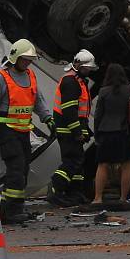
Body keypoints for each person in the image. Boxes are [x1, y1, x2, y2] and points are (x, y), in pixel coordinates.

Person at [0, 39, 53, 225]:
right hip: (6, 131)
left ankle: (15, 208)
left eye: (30, 60)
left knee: (23, 169)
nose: (28, 63)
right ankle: (8, 212)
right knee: (15, 168)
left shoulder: (31, 76)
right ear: (15, 58)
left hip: (23, 131)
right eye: (25, 59)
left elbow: (38, 102)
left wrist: (47, 119)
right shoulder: (1, 78)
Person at [91, 63, 130, 207]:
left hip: (106, 133)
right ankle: (123, 198)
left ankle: (97, 198)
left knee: (103, 165)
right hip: (127, 133)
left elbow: (98, 116)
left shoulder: (103, 92)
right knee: (127, 164)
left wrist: (97, 134)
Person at [47, 49, 97, 207]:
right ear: (78, 65)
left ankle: (75, 193)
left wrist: (85, 129)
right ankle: (56, 187)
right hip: (67, 130)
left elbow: (81, 110)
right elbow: (69, 110)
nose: (89, 71)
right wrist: (77, 132)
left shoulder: (78, 81)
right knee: (72, 161)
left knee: (78, 162)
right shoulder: (70, 82)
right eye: (87, 68)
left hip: (73, 129)